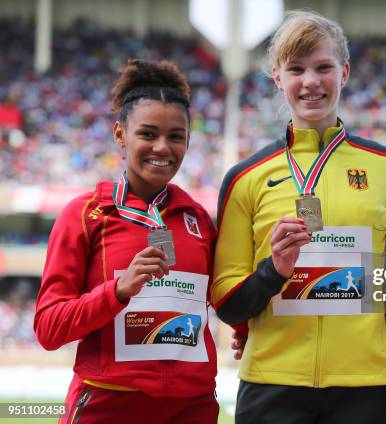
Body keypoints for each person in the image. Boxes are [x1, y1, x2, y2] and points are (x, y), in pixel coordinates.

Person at [212, 10, 386, 424]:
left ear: (345, 73)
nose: (311, 81)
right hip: (271, 386)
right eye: (296, 69)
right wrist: (273, 272)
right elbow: (227, 304)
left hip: (363, 387)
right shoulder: (245, 178)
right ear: (277, 77)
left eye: (324, 67)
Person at [34, 59, 218, 423]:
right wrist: (117, 292)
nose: (162, 148)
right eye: (148, 134)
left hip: (192, 407)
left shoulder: (198, 219)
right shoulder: (84, 215)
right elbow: (48, 329)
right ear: (120, 134)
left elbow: (224, 297)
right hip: (108, 406)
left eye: (176, 136)